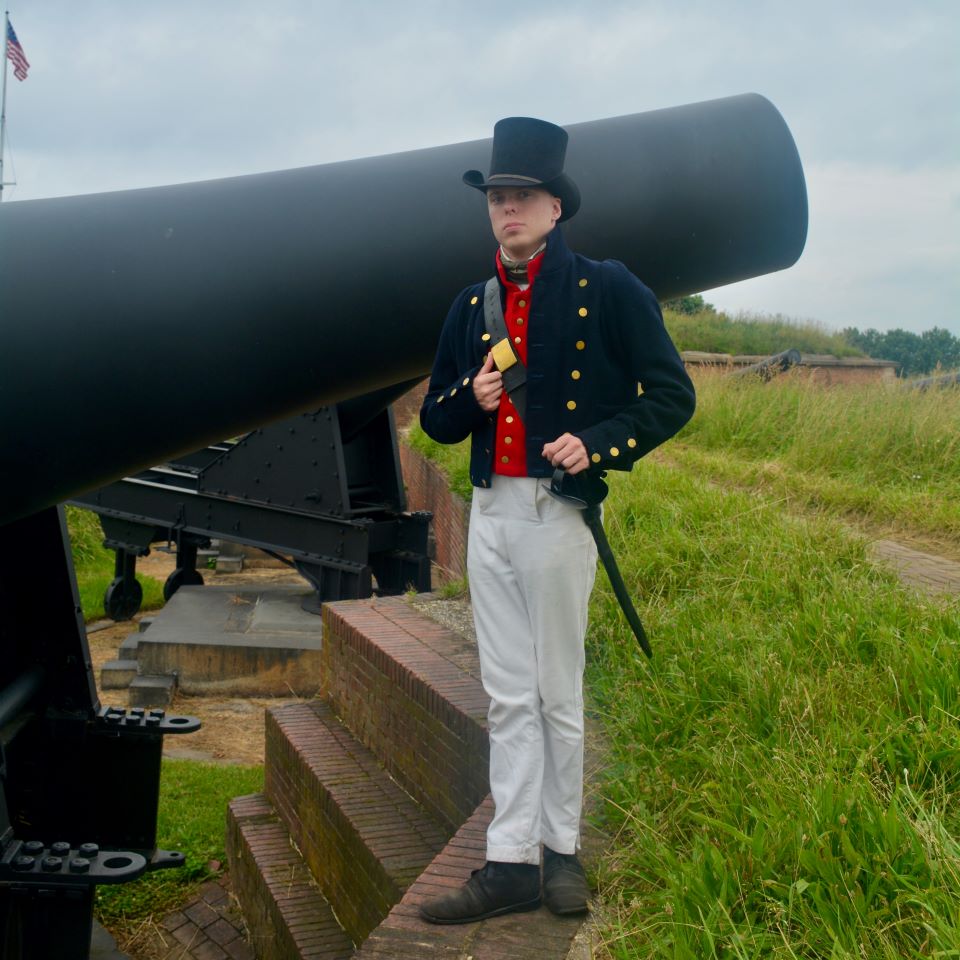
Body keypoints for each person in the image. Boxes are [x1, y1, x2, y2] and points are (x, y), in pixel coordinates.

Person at [418, 117, 695, 925]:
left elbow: (672, 394)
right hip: (492, 514)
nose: (508, 210)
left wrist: (599, 443)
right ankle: (509, 862)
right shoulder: (472, 306)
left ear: (553, 209)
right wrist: (470, 399)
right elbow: (436, 418)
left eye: (523, 197)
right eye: (498, 198)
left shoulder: (607, 287)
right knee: (506, 695)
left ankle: (562, 853)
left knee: (556, 692)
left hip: (554, 516)